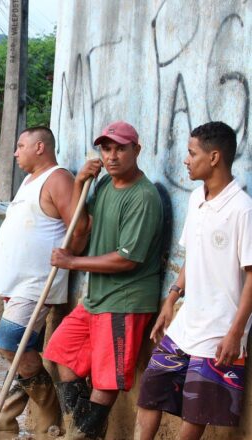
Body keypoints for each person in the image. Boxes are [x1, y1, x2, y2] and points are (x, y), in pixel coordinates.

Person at [45, 121, 164, 439]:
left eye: (120, 148)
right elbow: (81, 228)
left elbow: (127, 259)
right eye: (106, 149)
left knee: (107, 380)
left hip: (124, 299)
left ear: (136, 150)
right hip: (97, 297)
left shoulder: (143, 197)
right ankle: (83, 429)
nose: (112, 156)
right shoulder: (104, 186)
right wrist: (80, 184)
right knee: (59, 353)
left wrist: (72, 262)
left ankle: (81, 434)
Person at [136, 121, 252, 440]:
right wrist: (171, 300)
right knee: (150, 392)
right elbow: (193, 257)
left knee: (196, 412)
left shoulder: (242, 210)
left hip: (220, 330)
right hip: (186, 322)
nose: (186, 160)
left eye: (191, 153)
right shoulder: (195, 199)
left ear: (214, 157)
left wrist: (235, 333)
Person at [0, 126, 74, 435]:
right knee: (19, 350)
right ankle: (5, 422)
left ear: (40, 147)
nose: (16, 152)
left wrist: (71, 260)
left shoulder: (58, 178)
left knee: (9, 344)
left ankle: (50, 414)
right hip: (17, 285)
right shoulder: (30, 180)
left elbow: (79, 227)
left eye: (21, 145)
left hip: (36, 284)